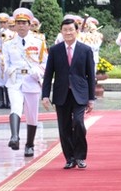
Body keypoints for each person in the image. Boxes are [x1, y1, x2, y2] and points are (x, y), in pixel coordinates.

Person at [41, 18, 96, 169]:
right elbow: (48, 75)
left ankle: (80, 157)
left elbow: (91, 75)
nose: (68, 33)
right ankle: (70, 158)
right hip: (61, 93)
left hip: (80, 93)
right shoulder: (55, 50)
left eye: (71, 29)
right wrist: (45, 95)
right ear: (61, 32)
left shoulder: (85, 50)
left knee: (78, 123)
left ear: (77, 31)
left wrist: (91, 98)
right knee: (64, 127)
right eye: (65, 30)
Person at [2, 8, 47, 156]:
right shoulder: (8, 43)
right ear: (14, 25)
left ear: (29, 24)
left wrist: (39, 73)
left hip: (32, 80)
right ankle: (14, 136)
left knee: (32, 114)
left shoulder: (38, 42)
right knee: (15, 106)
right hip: (15, 80)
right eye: (18, 23)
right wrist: (9, 71)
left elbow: (44, 62)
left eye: (24, 23)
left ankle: (30, 144)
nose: (21, 25)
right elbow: (6, 63)